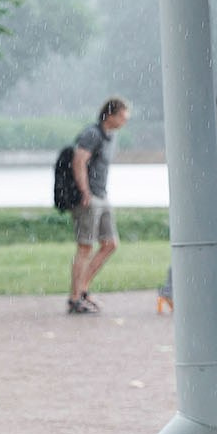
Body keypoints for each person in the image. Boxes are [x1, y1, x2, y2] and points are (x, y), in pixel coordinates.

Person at [158, 89, 217, 317]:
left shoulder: (210, 133)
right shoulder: (207, 134)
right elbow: (202, 165)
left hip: (200, 196)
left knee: (192, 243)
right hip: (202, 197)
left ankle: (171, 291)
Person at [67, 96, 131, 314]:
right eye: (122, 116)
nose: (125, 120)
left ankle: (82, 289)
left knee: (110, 243)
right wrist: (85, 192)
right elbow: (78, 161)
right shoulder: (92, 134)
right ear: (110, 115)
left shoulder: (111, 137)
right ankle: (75, 298)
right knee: (85, 246)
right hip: (89, 197)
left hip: (102, 196)